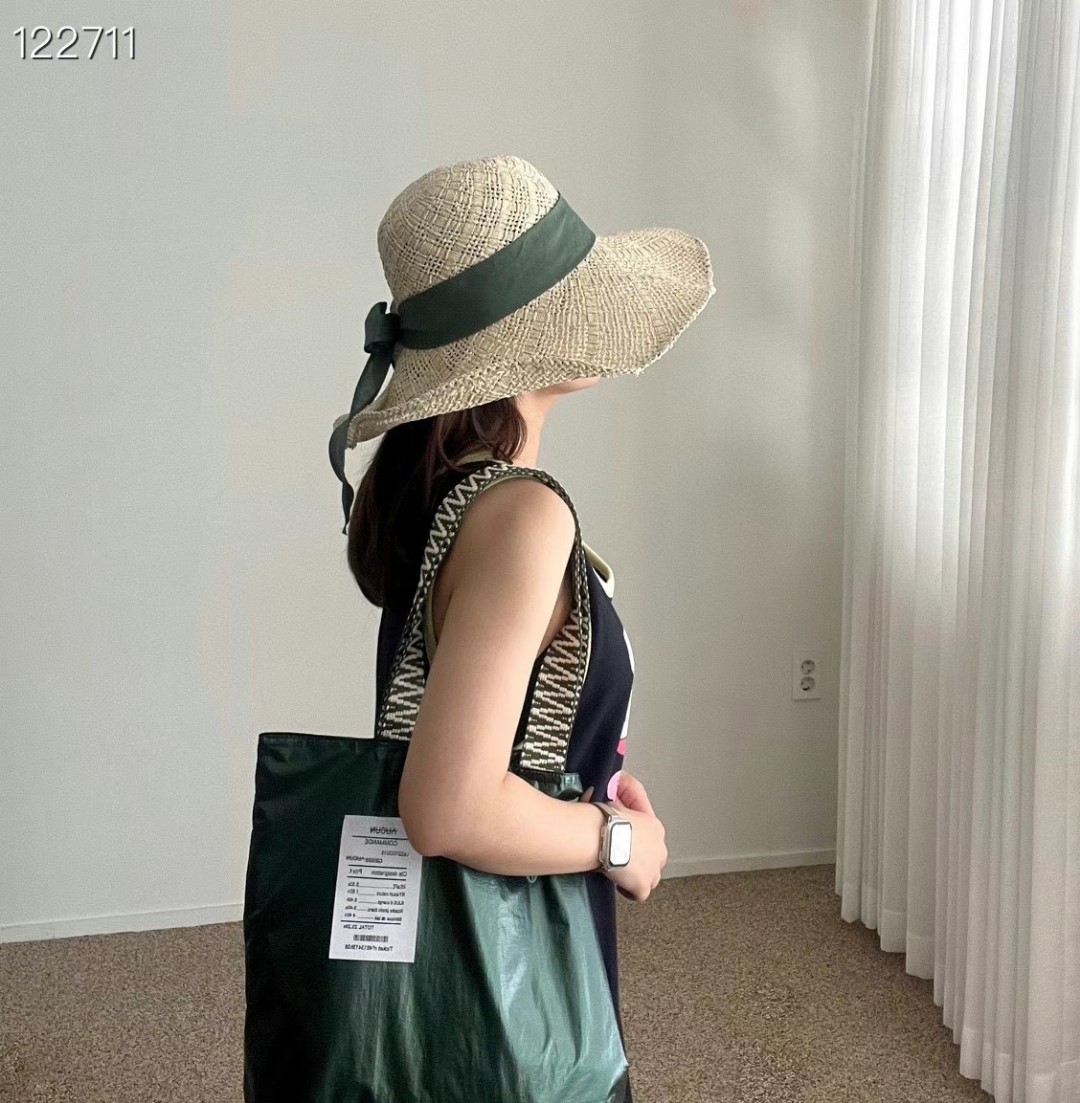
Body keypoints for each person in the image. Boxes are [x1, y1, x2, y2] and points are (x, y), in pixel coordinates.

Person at [328, 153, 715, 1102]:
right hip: (513, 965)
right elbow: (446, 808)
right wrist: (618, 842)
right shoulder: (521, 516)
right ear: (525, 340)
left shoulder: (442, 496)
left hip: (489, 933)